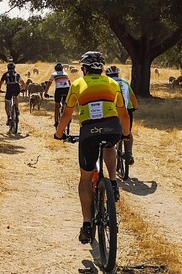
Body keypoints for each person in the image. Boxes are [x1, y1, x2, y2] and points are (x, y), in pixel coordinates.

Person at [54, 51, 130, 244]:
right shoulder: (113, 84)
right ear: (101, 68)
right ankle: (112, 181)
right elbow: (124, 114)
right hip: (112, 128)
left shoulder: (78, 84)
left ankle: (87, 224)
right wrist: (127, 133)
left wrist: (59, 134)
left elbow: (66, 115)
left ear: (85, 69)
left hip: (89, 132)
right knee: (110, 145)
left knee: (85, 178)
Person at [106, 65, 138, 164]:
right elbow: (132, 97)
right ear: (117, 74)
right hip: (126, 110)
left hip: (112, 111)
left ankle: (111, 148)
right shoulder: (125, 82)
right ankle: (129, 153)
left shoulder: (107, 83)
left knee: (111, 131)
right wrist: (135, 107)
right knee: (128, 131)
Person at [46, 63, 73, 129]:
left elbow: (49, 84)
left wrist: (45, 92)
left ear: (55, 69)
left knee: (57, 106)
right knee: (66, 105)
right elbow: (69, 83)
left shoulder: (54, 74)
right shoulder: (66, 74)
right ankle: (68, 117)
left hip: (59, 90)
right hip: (67, 89)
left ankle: (56, 122)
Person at [0, 62, 23, 127]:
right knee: (15, 96)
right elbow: (23, 83)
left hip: (9, 89)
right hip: (17, 88)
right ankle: (16, 108)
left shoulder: (5, 74)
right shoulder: (17, 74)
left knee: (7, 103)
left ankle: (9, 117)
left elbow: (0, 83)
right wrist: (23, 89)